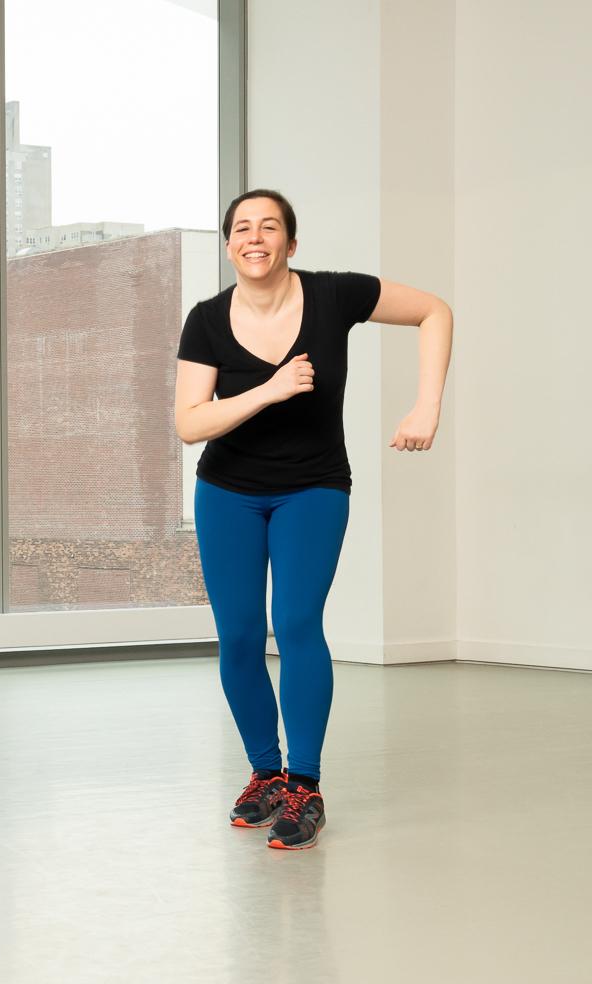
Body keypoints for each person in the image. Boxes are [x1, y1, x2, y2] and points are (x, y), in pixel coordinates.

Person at [174, 188, 453, 849]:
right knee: (239, 637)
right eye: (242, 227)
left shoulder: (333, 296)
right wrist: (268, 389)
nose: (255, 235)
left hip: (314, 489)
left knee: (296, 623)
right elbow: (190, 422)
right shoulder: (207, 319)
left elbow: (434, 311)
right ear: (228, 244)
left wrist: (427, 407)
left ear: (290, 244)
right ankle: (264, 773)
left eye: (270, 226)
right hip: (228, 492)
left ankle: (305, 784)